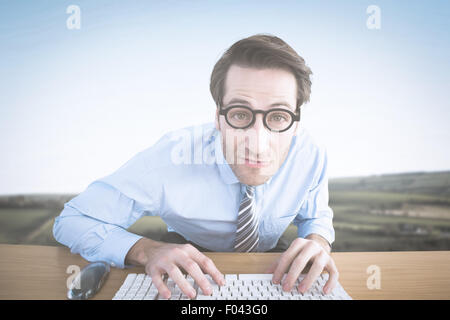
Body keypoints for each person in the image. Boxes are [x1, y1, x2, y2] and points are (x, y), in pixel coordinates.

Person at [53, 33, 338, 300]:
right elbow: (72, 221)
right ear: (218, 117)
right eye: (240, 114)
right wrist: (145, 250)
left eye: (278, 117)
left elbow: (316, 217)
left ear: (296, 122)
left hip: (267, 261)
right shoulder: (170, 158)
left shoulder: (310, 155)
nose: (258, 144)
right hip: (183, 254)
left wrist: (317, 242)